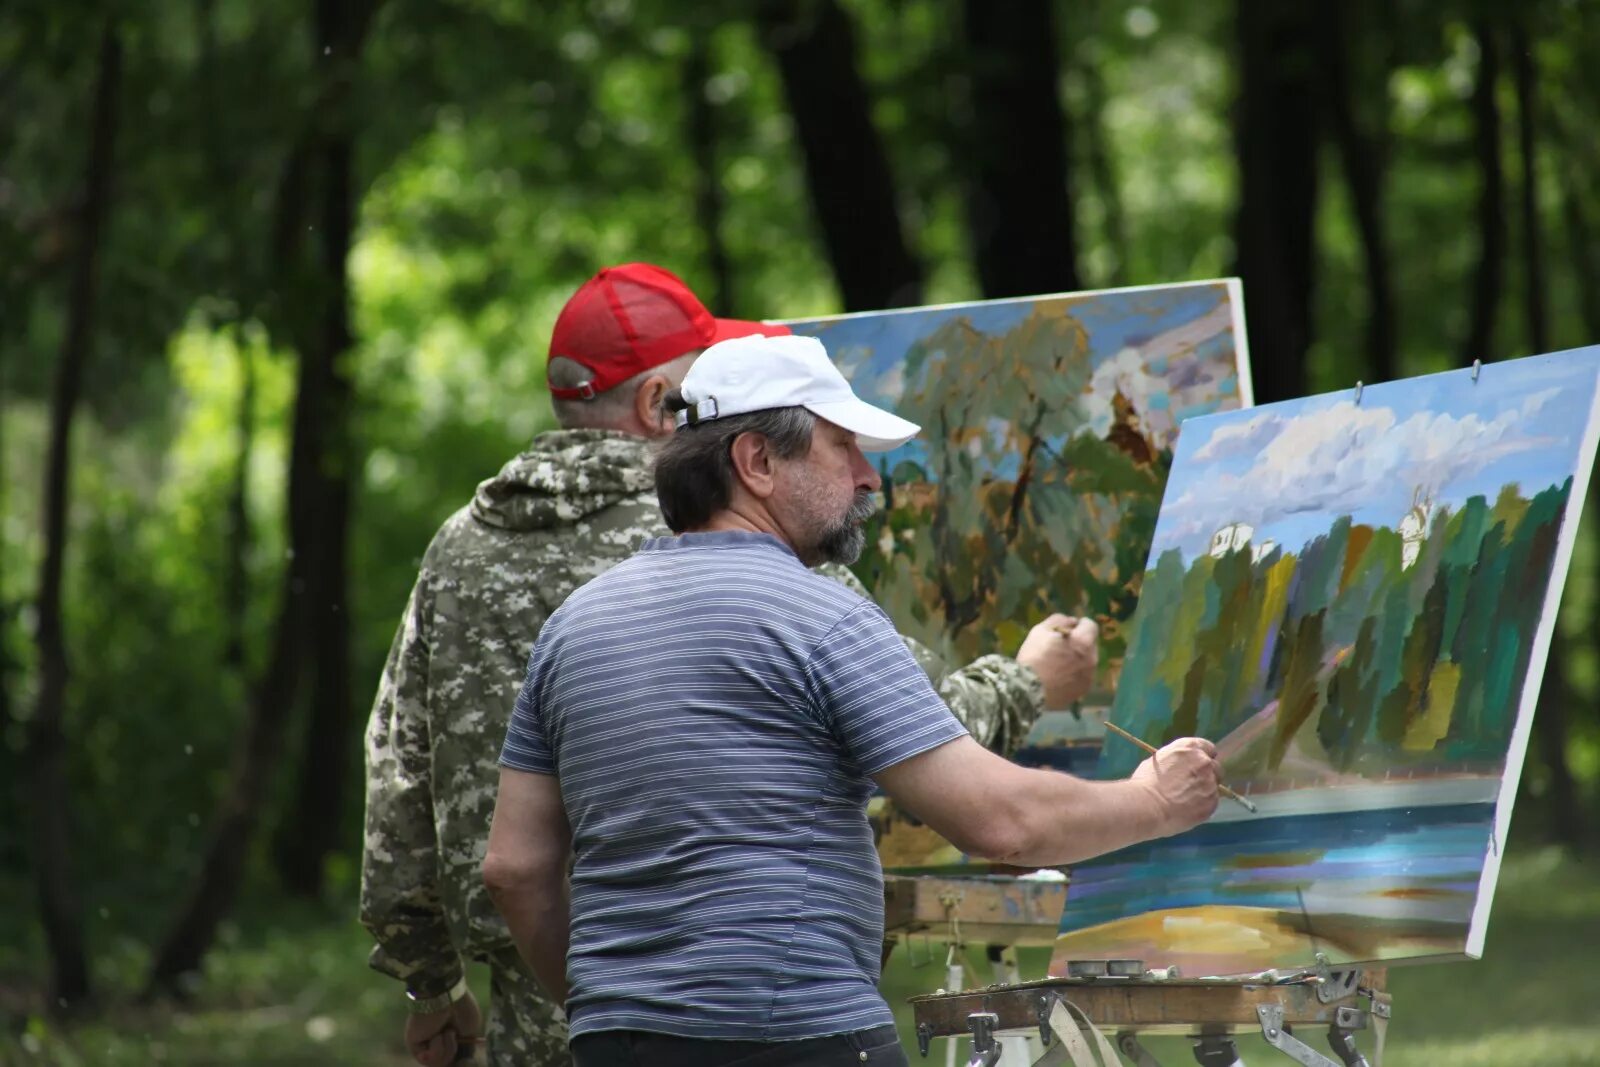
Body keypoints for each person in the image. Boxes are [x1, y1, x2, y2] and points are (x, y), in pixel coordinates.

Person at [359, 263, 1098, 1066]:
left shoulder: (459, 546)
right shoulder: (740, 530)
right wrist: (1029, 679)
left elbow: (399, 776)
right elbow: (919, 728)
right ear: (656, 407)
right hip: (751, 997)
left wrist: (431, 985)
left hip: (564, 991)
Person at [483, 333, 1221, 1066]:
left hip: (615, 1040)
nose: (870, 477)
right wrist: (1154, 801)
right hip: (798, 1033)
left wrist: (601, 1010)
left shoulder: (572, 627)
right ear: (757, 462)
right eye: (843, 447)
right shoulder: (820, 617)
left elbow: (514, 867)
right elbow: (1002, 822)